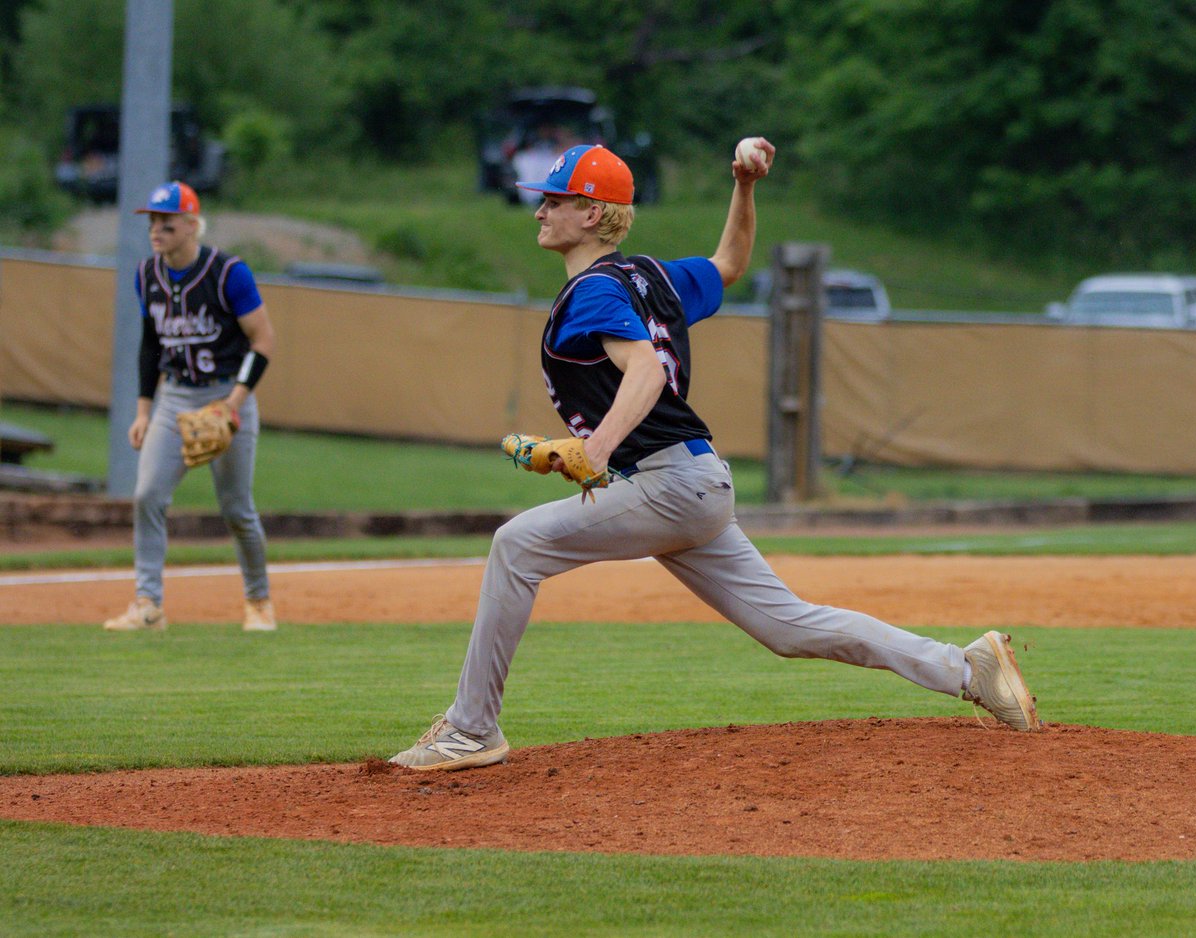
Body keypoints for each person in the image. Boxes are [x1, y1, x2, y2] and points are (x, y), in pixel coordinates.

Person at [389, 141, 1039, 770]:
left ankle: (471, 729)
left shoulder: (594, 291)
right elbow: (729, 262)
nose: (539, 211)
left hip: (669, 485)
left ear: (591, 213)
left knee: (515, 546)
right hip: (695, 484)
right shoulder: (652, 276)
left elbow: (643, 370)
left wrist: (597, 448)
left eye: (555, 199)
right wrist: (745, 186)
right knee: (789, 628)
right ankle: (966, 667)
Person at [103, 181, 277, 633]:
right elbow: (149, 347)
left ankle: (259, 603)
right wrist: (143, 411)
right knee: (147, 496)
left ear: (191, 226)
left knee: (237, 508)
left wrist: (232, 406)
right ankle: (148, 605)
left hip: (226, 395)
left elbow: (263, 342)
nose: (156, 229)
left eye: (167, 222)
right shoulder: (147, 275)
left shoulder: (227, 273)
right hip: (174, 397)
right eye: (152, 221)